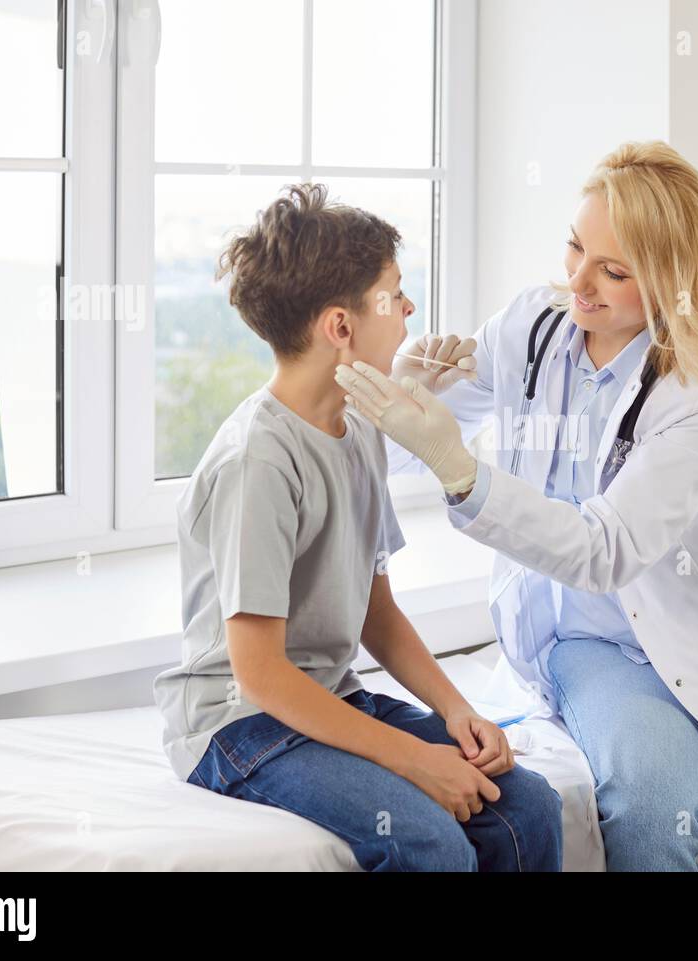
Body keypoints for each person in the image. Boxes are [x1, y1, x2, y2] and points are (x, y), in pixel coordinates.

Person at [337, 142, 698, 871]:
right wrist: (398, 385)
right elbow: (401, 447)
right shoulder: (531, 329)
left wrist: (463, 472)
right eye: (574, 247)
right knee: (657, 804)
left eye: (614, 271)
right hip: (597, 643)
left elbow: (605, 549)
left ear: (672, 283)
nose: (579, 283)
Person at [153, 183, 563, 872]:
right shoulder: (259, 459)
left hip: (324, 701)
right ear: (340, 327)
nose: (408, 310)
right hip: (241, 725)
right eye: (393, 294)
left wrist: (456, 713)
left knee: (530, 807)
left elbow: (377, 610)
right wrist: (416, 759)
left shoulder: (360, 425)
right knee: (427, 838)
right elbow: (260, 674)